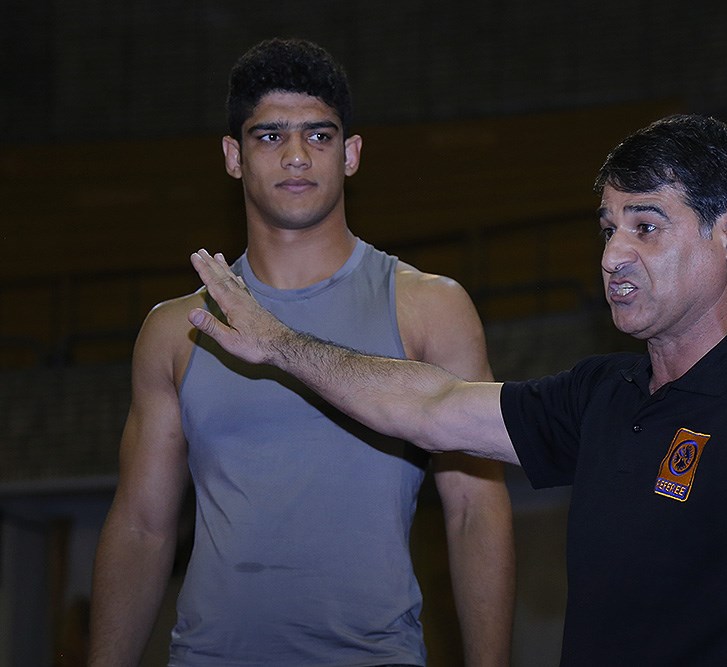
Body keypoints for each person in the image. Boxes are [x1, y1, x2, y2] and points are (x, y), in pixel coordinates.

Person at [187, 114, 727, 665]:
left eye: (645, 226)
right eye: (608, 228)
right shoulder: (603, 393)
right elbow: (431, 405)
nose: (613, 255)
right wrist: (280, 344)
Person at [89, 37, 515, 667]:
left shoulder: (428, 308)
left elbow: (475, 509)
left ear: (351, 153)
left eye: (319, 135)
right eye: (269, 136)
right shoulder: (176, 329)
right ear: (233, 156)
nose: (296, 155)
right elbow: (142, 527)